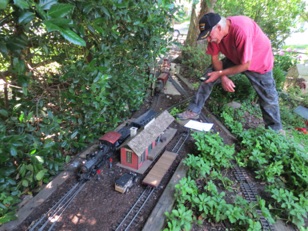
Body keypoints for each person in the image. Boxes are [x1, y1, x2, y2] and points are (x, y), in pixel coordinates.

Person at [177, 12, 283, 131]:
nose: (208, 39)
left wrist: (222, 73)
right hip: (235, 57)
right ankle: (193, 110)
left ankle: (275, 131)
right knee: (208, 76)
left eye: (209, 35)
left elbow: (245, 65)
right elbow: (215, 59)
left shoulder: (241, 31)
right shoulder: (215, 36)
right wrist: (223, 77)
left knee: (268, 97)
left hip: (258, 61)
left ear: (218, 27)